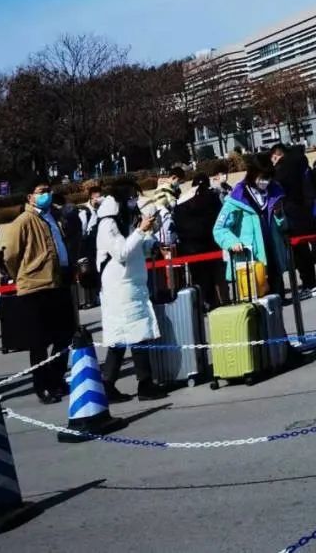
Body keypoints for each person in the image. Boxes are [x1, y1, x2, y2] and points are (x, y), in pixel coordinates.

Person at [1, 184, 77, 403]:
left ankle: (56, 378)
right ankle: (42, 385)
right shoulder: (23, 221)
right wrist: (23, 275)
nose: (46, 195)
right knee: (39, 341)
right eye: (41, 191)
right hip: (35, 286)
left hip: (58, 281)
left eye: (48, 190)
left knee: (65, 334)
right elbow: (11, 255)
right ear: (30, 196)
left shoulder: (53, 216)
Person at [97, 187, 167, 402]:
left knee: (130, 334)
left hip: (132, 284)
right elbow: (121, 252)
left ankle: (111, 383)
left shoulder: (124, 221)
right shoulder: (108, 224)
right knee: (131, 335)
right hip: (120, 286)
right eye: (131, 198)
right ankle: (142, 383)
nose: (134, 202)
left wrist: (149, 242)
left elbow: (135, 248)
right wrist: (140, 231)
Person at [213, 162, 290, 299]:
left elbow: (283, 227)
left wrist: (279, 215)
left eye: (268, 178)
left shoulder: (273, 195)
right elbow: (219, 229)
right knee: (256, 305)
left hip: (273, 260)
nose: (266, 181)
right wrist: (232, 242)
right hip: (250, 263)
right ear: (253, 175)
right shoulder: (237, 198)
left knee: (277, 304)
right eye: (263, 177)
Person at [269, 144, 316, 299]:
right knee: (303, 250)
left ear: (276, 155)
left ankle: (309, 285)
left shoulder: (283, 169)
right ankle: (311, 283)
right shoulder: (300, 163)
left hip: (290, 213)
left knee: (298, 252)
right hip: (304, 211)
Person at [172, 172, 226, 309]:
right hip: (211, 245)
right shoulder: (213, 197)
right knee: (216, 277)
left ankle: (202, 304)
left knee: (198, 279)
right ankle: (220, 302)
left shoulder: (183, 200)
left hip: (191, 248)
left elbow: (178, 223)